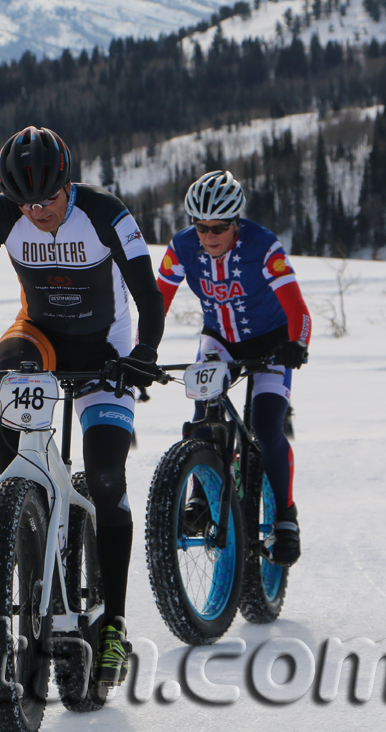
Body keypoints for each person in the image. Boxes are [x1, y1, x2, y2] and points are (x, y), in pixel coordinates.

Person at [0, 125, 164, 688]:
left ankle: (113, 626)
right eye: (28, 202)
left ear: (69, 184)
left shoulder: (107, 214)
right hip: (39, 337)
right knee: (4, 375)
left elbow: (147, 293)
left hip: (106, 353)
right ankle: (29, 508)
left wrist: (144, 352)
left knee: (108, 480)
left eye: (49, 198)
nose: (39, 211)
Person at [156, 170, 310, 565]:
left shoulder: (263, 246)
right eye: (200, 227)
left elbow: (298, 309)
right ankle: (200, 494)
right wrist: (143, 350)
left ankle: (286, 515)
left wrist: (297, 344)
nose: (207, 238)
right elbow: (157, 302)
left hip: (273, 341)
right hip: (220, 339)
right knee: (203, 417)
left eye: (218, 229)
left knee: (266, 423)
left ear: (236, 222)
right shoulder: (182, 247)